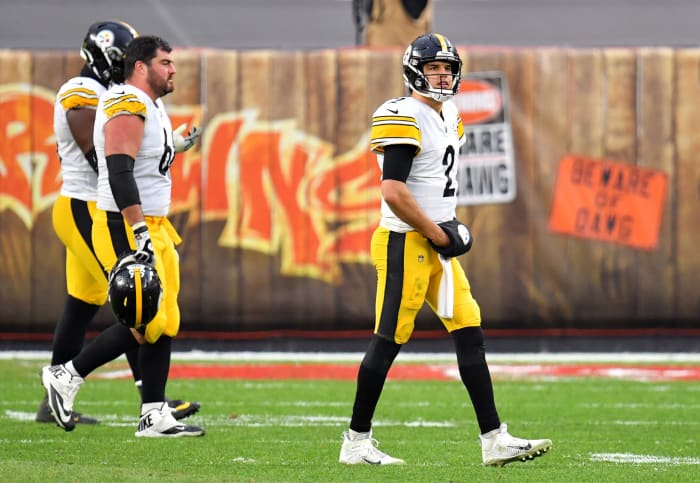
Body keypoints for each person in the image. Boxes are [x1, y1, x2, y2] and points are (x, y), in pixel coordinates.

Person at [338, 33, 552, 466]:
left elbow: (437, 183)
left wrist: (446, 227)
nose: (442, 75)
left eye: (448, 68)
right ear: (415, 70)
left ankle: (493, 439)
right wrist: (439, 233)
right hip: (405, 240)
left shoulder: (450, 113)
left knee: (469, 328)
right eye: (434, 67)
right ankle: (356, 442)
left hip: (435, 240)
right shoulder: (402, 114)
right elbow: (394, 191)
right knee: (390, 338)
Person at [38, 20, 200, 426]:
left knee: (96, 305)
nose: (173, 70)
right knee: (141, 306)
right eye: (164, 62)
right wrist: (140, 227)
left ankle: (152, 409)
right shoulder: (105, 96)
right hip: (98, 209)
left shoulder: (143, 101)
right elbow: (111, 161)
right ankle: (70, 377)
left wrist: (171, 144)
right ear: (135, 63)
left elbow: (138, 152)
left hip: (139, 215)